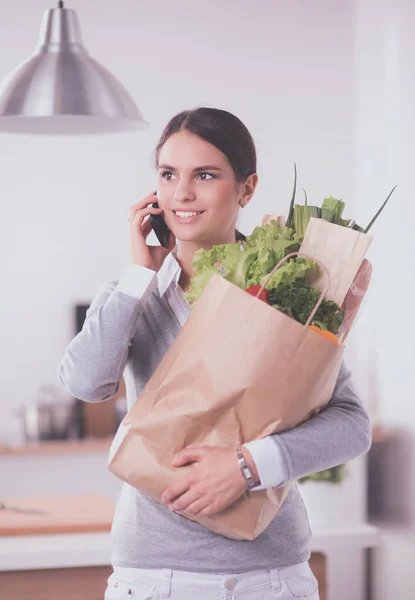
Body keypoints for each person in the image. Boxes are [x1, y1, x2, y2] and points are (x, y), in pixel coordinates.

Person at [58, 107, 372, 600]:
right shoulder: (133, 293)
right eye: (168, 175)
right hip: (155, 576)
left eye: (205, 175)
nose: (182, 193)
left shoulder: (290, 290)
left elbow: (352, 425)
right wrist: (139, 276)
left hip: (270, 577)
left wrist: (249, 465)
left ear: (246, 189)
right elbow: (85, 383)